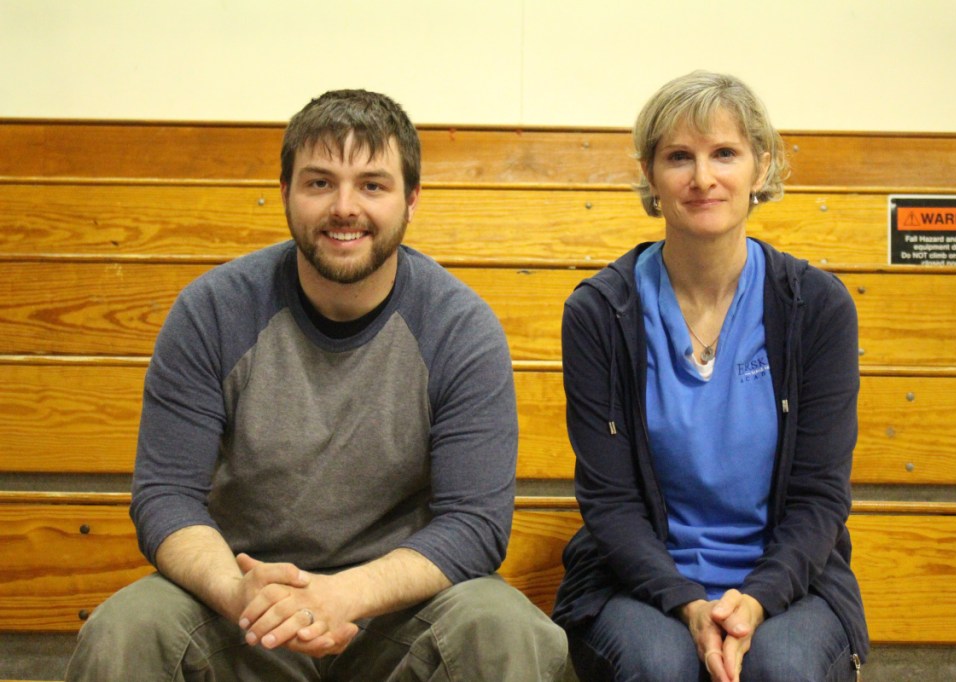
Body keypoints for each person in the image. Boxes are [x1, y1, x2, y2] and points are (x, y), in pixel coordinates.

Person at [65, 89, 570, 681]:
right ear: (285, 193)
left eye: (372, 185)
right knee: (126, 630)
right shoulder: (213, 310)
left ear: (412, 200)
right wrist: (239, 592)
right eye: (320, 183)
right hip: (245, 615)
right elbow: (166, 497)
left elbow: (474, 525)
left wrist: (341, 596)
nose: (344, 207)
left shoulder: (459, 327)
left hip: (397, 619)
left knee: (504, 628)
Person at [551, 71, 869, 682]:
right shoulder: (599, 311)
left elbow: (819, 499)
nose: (702, 178)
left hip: (790, 583)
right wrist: (686, 602)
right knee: (660, 665)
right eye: (679, 157)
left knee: (782, 667)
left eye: (725, 153)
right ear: (650, 174)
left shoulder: (817, 306)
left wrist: (756, 601)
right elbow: (609, 503)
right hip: (635, 583)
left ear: (761, 166)